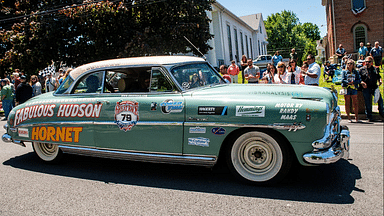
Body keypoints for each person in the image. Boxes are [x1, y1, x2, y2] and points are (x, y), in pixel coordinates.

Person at [359, 56, 384, 122]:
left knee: (380, 101)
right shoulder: (361, 69)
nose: (367, 63)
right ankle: (369, 117)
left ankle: (382, 113)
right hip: (366, 88)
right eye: (366, 62)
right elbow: (358, 79)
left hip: (374, 88)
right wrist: (362, 83)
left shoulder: (375, 69)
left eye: (369, 62)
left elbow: (379, 76)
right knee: (368, 103)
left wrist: (380, 80)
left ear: (372, 62)